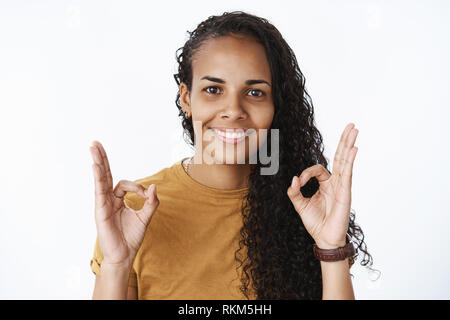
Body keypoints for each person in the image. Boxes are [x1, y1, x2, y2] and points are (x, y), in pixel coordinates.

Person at [89, 11, 374, 300]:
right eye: (213, 89)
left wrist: (331, 247)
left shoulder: (307, 209)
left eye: (255, 93)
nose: (234, 109)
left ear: (276, 104)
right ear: (187, 98)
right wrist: (116, 264)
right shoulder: (134, 212)